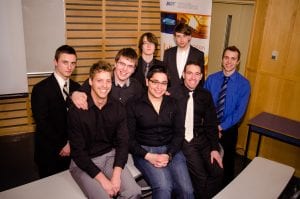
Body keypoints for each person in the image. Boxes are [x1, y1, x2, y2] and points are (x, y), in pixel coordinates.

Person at [68, 61, 141, 199]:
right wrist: (104, 181)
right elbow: (78, 153)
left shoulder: (118, 108)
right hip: (83, 162)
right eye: (99, 80)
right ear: (90, 81)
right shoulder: (76, 111)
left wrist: (116, 175)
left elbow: (123, 143)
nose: (104, 85)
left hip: (109, 157)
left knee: (134, 192)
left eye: (108, 81)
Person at [127, 65, 194, 199]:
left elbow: (179, 133)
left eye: (163, 83)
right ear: (147, 82)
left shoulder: (174, 103)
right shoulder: (133, 104)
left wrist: (169, 155)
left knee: (187, 191)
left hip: (171, 149)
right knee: (164, 187)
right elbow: (129, 139)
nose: (159, 87)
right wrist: (148, 156)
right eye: (155, 82)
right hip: (144, 151)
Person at [173, 61, 223, 199]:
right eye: (189, 73)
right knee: (201, 177)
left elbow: (211, 123)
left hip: (201, 139)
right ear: (183, 75)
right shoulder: (172, 94)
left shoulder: (205, 95)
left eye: (197, 74)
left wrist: (214, 148)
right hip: (184, 141)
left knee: (218, 173)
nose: (193, 77)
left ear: (201, 76)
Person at [31, 45, 80, 178]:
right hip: (50, 152)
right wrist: (63, 144)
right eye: (65, 62)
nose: (69, 67)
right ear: (55, 62)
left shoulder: (77, 88)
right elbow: (42, 122)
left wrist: (71, 143)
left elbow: (81, 120)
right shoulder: (40, 89)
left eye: (73, 63)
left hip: (74, 150)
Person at [204, 46, 251, 186]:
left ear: (238, 61)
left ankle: (226, 189)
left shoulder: (244, 84)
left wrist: (221, 126)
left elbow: (239, 112)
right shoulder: (211, 79)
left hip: (229, 129)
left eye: (233, 58)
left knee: (228, 163)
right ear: (222, 59)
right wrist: (212, 125)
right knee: (207, 158)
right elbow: (203, 104)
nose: (229, 62)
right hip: (208, 126)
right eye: (226, 57)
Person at [71, 47, 143, 109]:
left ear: (134, 70)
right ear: (115, 64)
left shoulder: (137, 86)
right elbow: (73, 98)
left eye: (130, 66)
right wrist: (74, 95)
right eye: (122, 64)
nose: (125, 69)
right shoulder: (100, 79)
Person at [163, 23, 205, 93]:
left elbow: (201, 79)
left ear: (190, 37)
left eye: (184, 36)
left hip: (190, 95)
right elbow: (164, 75)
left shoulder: (198, 54)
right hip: (170, 95)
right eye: (178, 36)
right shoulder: (168, 53)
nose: (181, 39)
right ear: (175, 37)